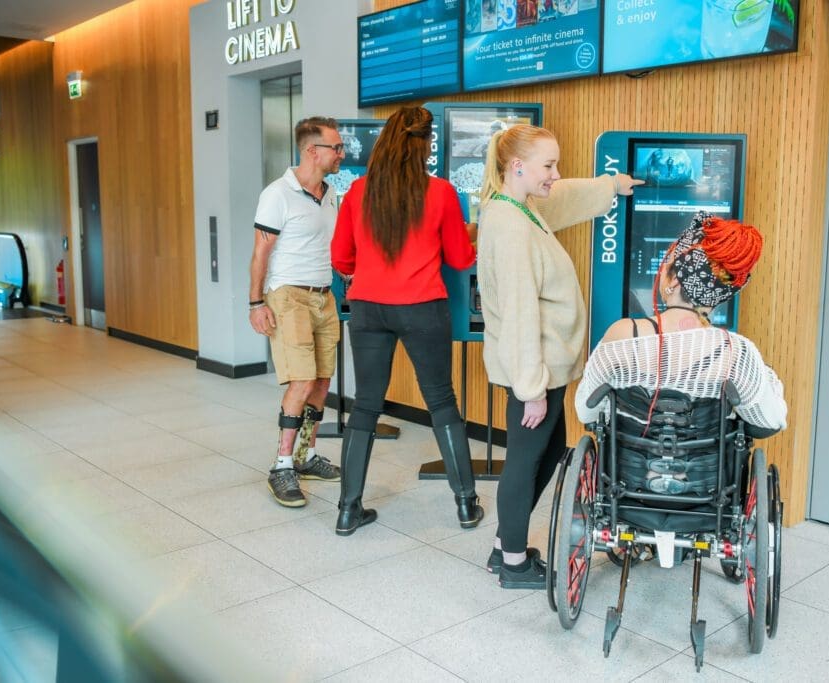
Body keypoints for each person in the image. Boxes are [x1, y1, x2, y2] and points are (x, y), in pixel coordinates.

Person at [477, 124, 642, 588]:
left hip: (546, 367)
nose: (555, 174)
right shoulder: (511, 226)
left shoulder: (519, 206)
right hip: (535, 371)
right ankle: (512, 564)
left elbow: (563, 196)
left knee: (548, 453)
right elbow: (519, 313)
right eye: (548, 165)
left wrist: (610, 186)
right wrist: (531, 390)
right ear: (517, 166)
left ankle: (504, 547)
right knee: (525, 461)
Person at [330, 106, 483, 536]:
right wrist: (470, 236)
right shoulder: (440, 193)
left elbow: (340, 257)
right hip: (422, 306)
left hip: (368, 308)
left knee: (365, 404)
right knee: (441, 401)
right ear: (425, 144)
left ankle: (347, 510)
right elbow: (460, 259)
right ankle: (466, 505)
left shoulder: (359, 191)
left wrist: (368, 271)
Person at [574, 211, 788, 434]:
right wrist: (767, 377)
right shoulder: (737, 352)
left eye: (666, 262)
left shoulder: (622, 335)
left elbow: (586, 411)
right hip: (707, 458)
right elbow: (770, 420)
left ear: (675, 279)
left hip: (626, 456)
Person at [249, 116, 344, 508]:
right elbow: (261, 251)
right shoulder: (278, 194)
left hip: (324, 295)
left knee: (321, 382)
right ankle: (282, 465)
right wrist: (256, 303)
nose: (341, 154)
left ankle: (305, 454)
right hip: (288, 296)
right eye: (336, 147)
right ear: (312, 151)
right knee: (301, 381)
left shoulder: (331, 193)